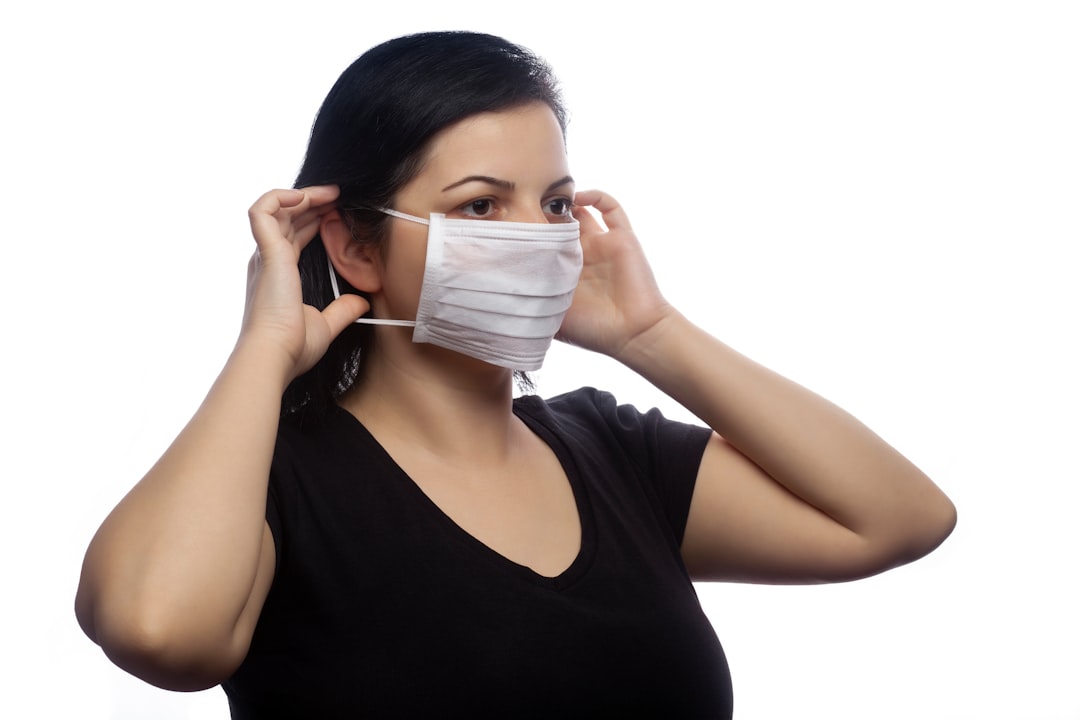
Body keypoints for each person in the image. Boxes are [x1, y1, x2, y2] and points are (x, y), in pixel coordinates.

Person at [74, 31, 956, 718]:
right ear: (357, 246)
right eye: (482, 205)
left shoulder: (615, 453)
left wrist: (650, 333)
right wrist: (262, 353)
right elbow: (159, 633)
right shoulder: (267, 484)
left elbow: (899, 520)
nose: (538, 235)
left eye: (557, 203)